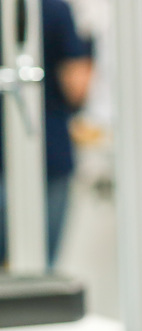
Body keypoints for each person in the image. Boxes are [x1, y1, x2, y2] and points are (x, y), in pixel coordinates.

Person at [0, 0, 91, 272]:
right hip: (47, 151)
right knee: (40, 274)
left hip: (40, 154)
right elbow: (77, 87)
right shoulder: (54, 10)